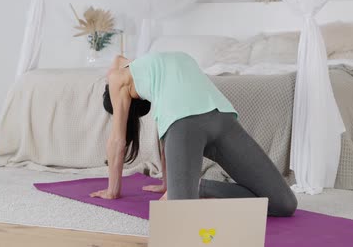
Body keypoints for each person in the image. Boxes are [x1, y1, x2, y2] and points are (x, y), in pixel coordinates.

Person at [90, 51, 297, 217]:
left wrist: (112, 191)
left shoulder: (117, 78)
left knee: (182, 213)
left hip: (196, 123)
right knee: (284, 203)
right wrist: (167, 183)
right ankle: (199, 187)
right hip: (221, 118)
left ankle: (194, 188)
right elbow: (167, 140)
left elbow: (117, 140)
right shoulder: (149, 67)